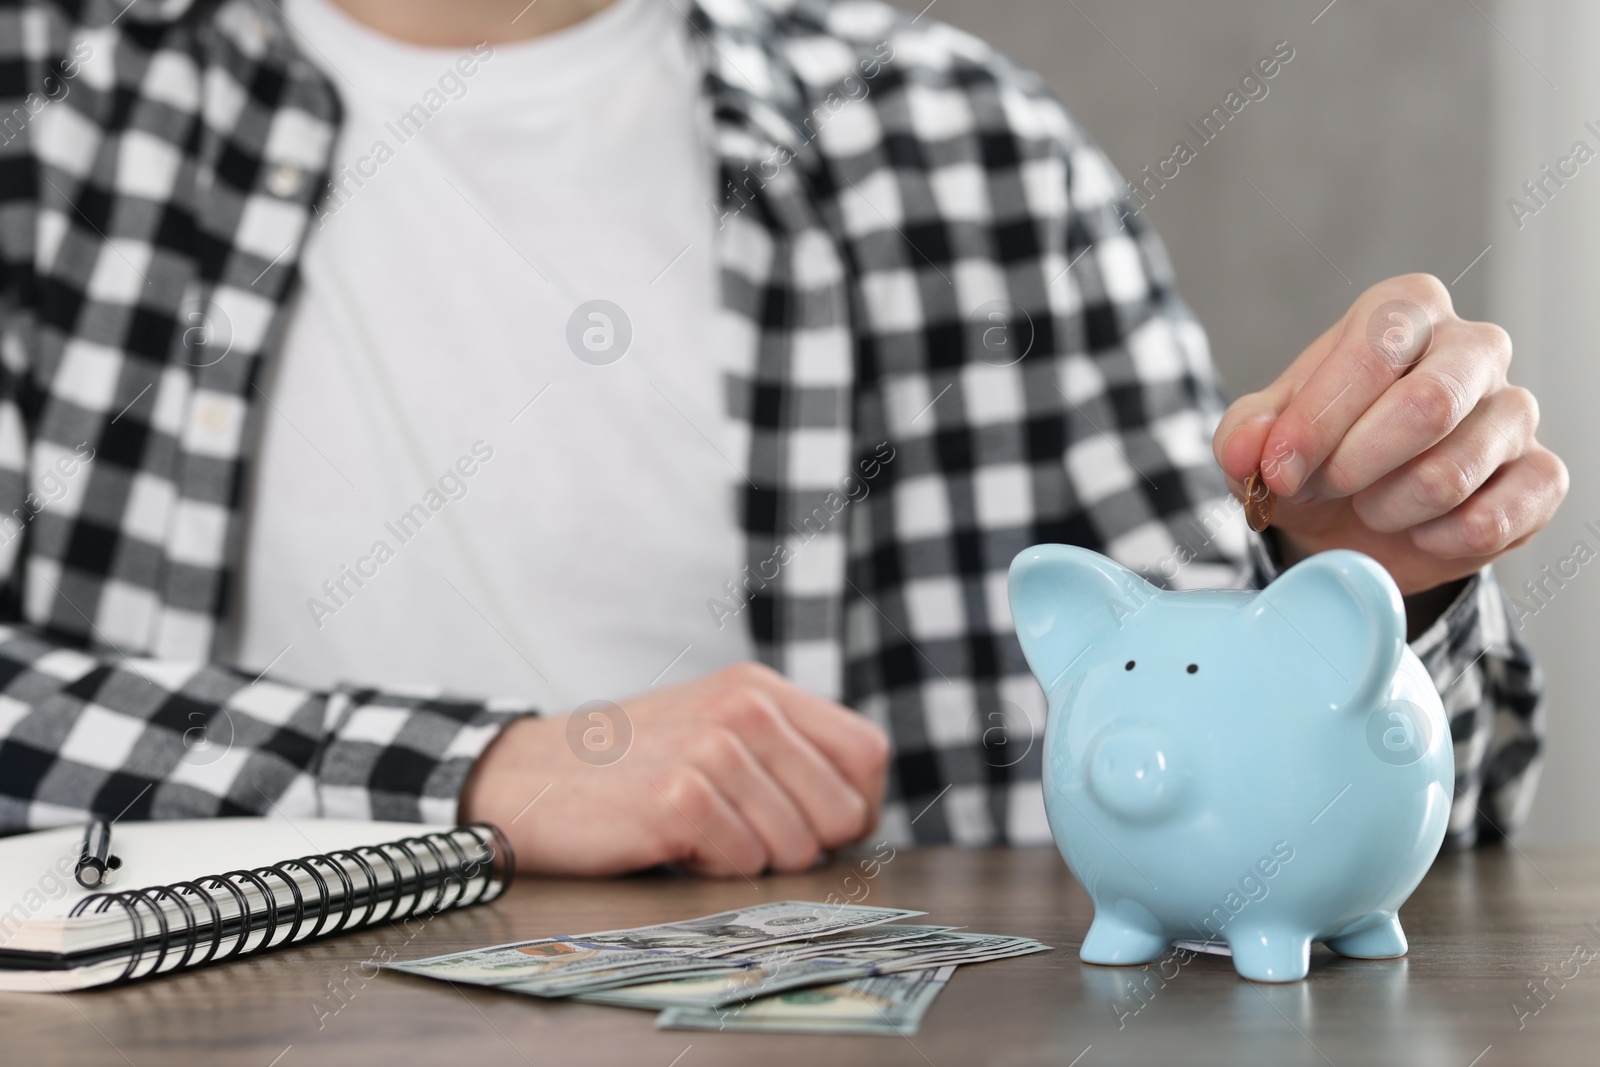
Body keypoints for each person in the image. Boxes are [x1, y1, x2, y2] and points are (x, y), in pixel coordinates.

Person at [0, 0, 1563, 877]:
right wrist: (481, 774)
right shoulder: (44, 110)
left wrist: (1361, 594)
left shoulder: (965, 156)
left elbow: (1332, 852)